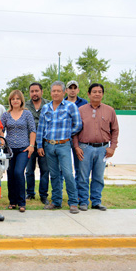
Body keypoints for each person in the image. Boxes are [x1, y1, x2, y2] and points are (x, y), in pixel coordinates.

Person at [36, 81, 82, 214]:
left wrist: (67, 134)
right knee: (54, 175)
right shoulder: (46, 108)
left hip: (64, 145)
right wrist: (40, 145)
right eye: (53, 91)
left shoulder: (70, 106)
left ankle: (73, 202)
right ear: (50, 93)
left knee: (68, 173)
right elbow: (41, 128)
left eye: (58, 91)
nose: (55, 93)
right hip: (49, 145)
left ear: (64, 92)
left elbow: (78, 125)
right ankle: (56, 201)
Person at [73, 83, 119, 211]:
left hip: (102, 149)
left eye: (99, 92)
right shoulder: (80, 110)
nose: (97, 94)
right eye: (94, 91)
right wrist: (76, 147)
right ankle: (83, 201)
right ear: (88, 94)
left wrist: (112, 147)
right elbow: (75, 131)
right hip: (84, 148)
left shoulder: (110, 111)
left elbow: (115, 130)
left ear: (103, 94)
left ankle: (96, 201)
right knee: (82, 177)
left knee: (98, 177)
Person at [1, 90, 36, 213]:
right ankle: (13, 201)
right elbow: (1, 129)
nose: (15, 101)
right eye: (13, 99)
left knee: (18, 172)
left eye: (18, 98)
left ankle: (22, 202)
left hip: (23, 149)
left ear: (21, 100)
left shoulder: (27, 114)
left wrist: (31, 145)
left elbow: (32, 130)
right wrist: (1, 140)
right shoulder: (6, 115)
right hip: (9, 149)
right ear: (10, 101)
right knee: (10, 174)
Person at [24, 82, 50, 205]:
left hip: (45, 143)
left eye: (36, 91)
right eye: (32, 91)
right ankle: (29, 193)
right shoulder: (25, 106)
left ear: (41, 92)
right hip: (29, 143)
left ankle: (43, 195)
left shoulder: (48, 105)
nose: (34, 93)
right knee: (29, 170)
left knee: (45, 170)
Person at [64, 80, 88, 185]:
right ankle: (60, 192)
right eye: (70, 88)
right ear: (66, 90)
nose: (72, 90)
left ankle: (79, 192)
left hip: (79, 138)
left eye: (75, 88)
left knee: (79, 166)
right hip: (64, 138)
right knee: (63, 166)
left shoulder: (84, 103)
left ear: (78, 90)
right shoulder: (61, 103)